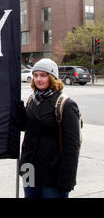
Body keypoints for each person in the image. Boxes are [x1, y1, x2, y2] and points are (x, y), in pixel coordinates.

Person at [19, 58, 81, 198]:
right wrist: (19, 113)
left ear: (53, 77)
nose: (38, 79)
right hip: (29, 169)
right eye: (35, 75)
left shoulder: (65, 104)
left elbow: (71, 146)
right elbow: (26, 128)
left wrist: (67, 178)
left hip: (52, 174)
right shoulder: (32, 99)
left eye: (43, 75)